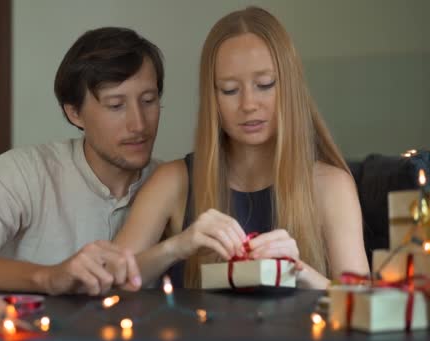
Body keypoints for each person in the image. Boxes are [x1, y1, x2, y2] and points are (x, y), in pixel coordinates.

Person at [113, 7, 369, 289]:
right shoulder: (173, 181)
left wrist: (299, 272)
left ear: (289, 88)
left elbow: (363, 306)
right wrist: (176, 247)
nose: (248, 104)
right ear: (213, 98)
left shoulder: (331, 185)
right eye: (230, 90)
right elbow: (112, 280)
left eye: (265, 84)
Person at [0, 27, 164, 295]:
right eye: (115, 105)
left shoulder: (169, 183)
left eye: (148, 100)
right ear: (75, 113)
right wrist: (47, 277)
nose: (139, 124)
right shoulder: (26, 171)